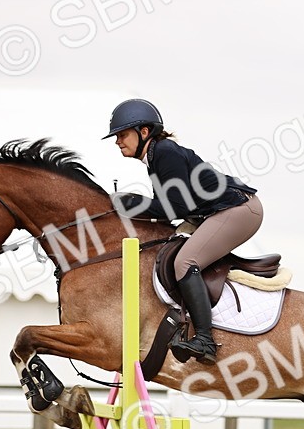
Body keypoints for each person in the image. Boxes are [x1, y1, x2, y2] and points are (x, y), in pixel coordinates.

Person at [105, 98, 261, 365]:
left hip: (240, 210)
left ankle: (205, 339)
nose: (118, 141)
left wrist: (130, 202)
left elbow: (174, 207)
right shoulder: (155, 157)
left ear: (144, 132)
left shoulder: (165, 152)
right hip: (213, 212)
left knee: (185, 261)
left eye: (122, 134)